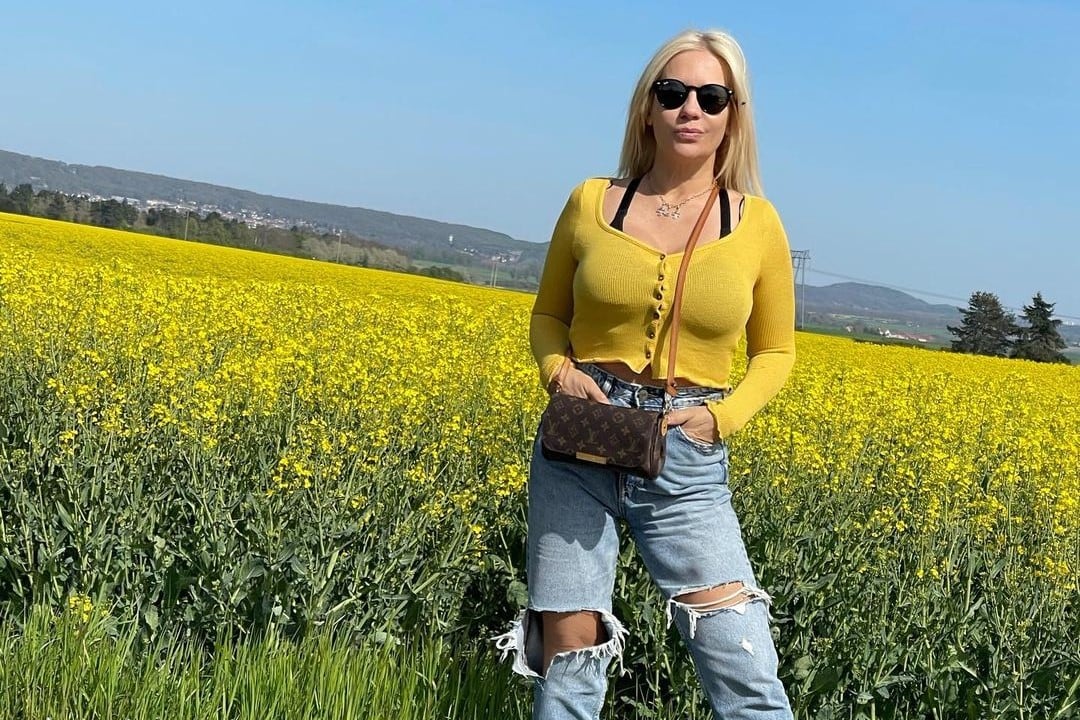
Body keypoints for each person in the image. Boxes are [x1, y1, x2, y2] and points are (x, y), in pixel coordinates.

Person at [494, 28, 796, 719]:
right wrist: (556, 372)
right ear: (647, 108)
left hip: (686, 453)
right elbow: (547, 316)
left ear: (732, 116)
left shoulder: (758, 225)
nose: (692, 108)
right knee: (568, 666)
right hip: (579, 443)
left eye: (711, 97)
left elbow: (776, 352)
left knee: (743, 666)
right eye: (674, 92)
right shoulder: (590, 203)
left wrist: (722, 418)